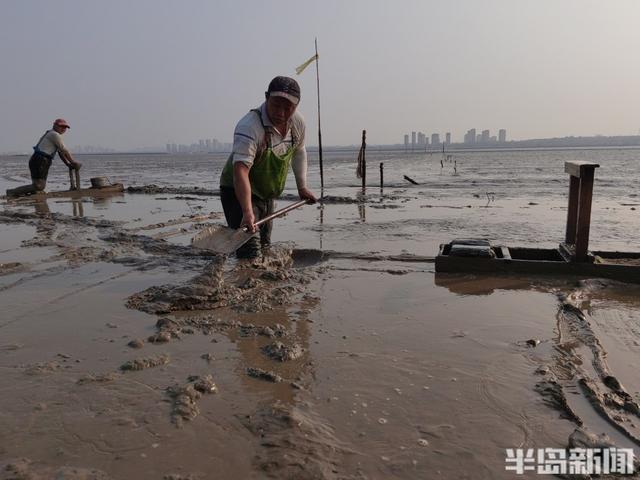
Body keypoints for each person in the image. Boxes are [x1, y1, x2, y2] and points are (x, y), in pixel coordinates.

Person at [219, 76, 316, 257]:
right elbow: (241, 171)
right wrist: (247, 211)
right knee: (249, 247)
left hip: (265, 192)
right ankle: (243, 280)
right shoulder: (249, 127)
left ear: (296, 106)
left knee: (264, 243)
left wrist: (302, 187)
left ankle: (261, 281)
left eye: (288, 108)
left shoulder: (297, 123)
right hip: (237, 189)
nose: (281, 112)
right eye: (276, 105)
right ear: (266, 97)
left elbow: (299, 151)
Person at [6, 118, 82, 197]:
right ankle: (12, 192)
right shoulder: (54, 134)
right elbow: (64, 150)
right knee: (40, 186)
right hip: (41, 160)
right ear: (55, 125)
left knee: (37, 185)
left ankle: (24, 192)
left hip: (37, 159)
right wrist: (73, 162)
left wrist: (68, 164)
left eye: (65, 127)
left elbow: (61, 153)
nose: (63, 129)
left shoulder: (51, 133)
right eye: (61, 126)